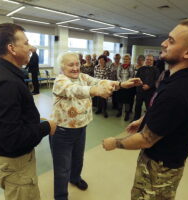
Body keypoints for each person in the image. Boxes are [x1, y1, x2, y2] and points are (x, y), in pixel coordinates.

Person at [103, 19, 188, 200]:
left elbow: (146, 140)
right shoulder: (174, 76)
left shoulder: (179, 91)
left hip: (160, 168)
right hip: (155, 159)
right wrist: (143, 120)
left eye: (171, 41)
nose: (163, 43)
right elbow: (159, 107)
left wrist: (115, 143)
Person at [49, 52, 142, 200]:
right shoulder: (60, 81)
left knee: (78, 158)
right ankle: (61, 196)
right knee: (62, 168)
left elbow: (100, 81)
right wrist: (95, 91)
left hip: (81, 127)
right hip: (62, 131)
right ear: (62, 67)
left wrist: (121, 84)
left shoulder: (82, 77)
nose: (75, 67)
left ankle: (75, 178)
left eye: (77, 64)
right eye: (70, 64)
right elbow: (75, 90)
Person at [0, 23, 56, 200]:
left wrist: (34, 121)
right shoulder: (6, 83)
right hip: (16, 165)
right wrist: (46, 127)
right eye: (26, 43)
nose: (30, 48)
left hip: (17, 162)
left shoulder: (8, 75)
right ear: (11, 48)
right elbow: (11, 139)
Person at [133, 54, 158, 121]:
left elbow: (156, 81)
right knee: (138, 106)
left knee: (149, 107)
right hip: (140, 90)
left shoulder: (156, 70)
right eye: (147, 59)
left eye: (150, 60)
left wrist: (149, 86)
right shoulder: (140, 69)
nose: (149, 61)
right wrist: (140, 84)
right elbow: (136, 78)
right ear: (145, 60)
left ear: (153, 61)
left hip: (150, 92)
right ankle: (136, 119)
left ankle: (148, 120)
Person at [116, 54, 135, 121]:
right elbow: (118, 76)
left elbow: (132, 76)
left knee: (127, 101)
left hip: (128, 87)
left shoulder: (132, 66)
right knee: (120, 100)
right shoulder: (119, 66)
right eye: (124, 59)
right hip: (120, 85)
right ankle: (119, 112)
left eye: (127, 59)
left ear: (129, 60)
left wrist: (126, 83)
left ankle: (127, 114)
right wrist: (122, 83)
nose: (125, 60)